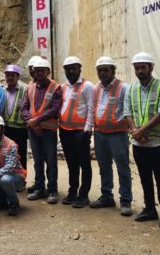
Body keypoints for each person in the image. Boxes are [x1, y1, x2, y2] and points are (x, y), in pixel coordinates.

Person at [124, 52, 160, 228]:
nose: (139, 71)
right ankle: (150, 209)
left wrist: (141, 131)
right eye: (136, 68)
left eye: (142, 68)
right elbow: (127, 111)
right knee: (144, 177)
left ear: (151, 68)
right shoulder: (131, 88)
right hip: (138, 143)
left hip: (157, 142)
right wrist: (135, 131)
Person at [89, 57, 132, 215]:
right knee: (104, 167)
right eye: (99, 70)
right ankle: (107, 196)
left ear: (113, 70)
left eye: (105, 70)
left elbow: (127, 110)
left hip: (118, 135)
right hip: (100, 134)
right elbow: (94, 108)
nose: (102, 73)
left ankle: (126, 200)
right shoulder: (97, 88)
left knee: (123, 168)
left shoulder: (123, 88)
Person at [22, 57, 62, 203]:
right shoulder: (30, 87)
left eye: (41, 71)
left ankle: (52, 190)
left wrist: (36, 121)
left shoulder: (55, 87)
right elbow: (24, 107)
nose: (38, 73)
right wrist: (31, 122)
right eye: (36, 71)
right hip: (34, 130)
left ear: (48, 71)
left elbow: (54, 109)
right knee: (38, 160)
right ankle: (40, 188)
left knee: (51, 160)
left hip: (48, 131)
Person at [58, 57, 95, 208]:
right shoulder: (63, 87)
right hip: (65, 131)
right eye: (68, 68)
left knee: (84, 164)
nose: (71, 71)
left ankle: (83, 195)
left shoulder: (88, 86)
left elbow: (91, 108)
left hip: (80, 132)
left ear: (80, 68)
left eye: (73, 68)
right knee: (71, 164)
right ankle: (73, 191)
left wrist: (88, 129)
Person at [2, 64, 29, 169]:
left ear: (18, 77)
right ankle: (8, 176)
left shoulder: (24, 91)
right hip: (6, 128)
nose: (10, 78)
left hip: (20, 130)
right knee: (7, 153)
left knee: (21, 154)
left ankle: (22, 179)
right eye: (8, 75)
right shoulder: (2, 91)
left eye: (12, 75)